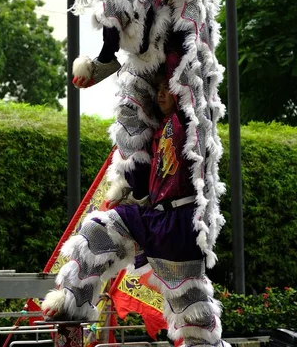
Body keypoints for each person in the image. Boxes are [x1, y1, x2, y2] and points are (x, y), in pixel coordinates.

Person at [42, 66, 225, 347]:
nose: (161, 95)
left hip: (180, 224)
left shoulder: (188, 122)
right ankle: (72, 302)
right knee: (96, 229)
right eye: (159, 90)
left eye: (167, 90)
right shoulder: (155, 130)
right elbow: (140, 179)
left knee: (190, 307)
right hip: (151, 217)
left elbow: (194, 80)